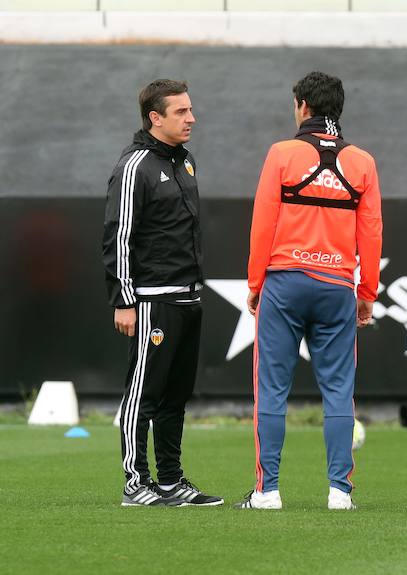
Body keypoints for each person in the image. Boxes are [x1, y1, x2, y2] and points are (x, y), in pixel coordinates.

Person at [236, 71, 382, 510]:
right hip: (337, 286)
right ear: (338, 108)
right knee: (339, 390)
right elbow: (371, 231)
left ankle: (268, 491)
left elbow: (263, 222)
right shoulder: (363, 162)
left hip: (284, 282)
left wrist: (256, 283)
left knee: (272, 388)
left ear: (301, 105)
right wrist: (367, 293)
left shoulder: (281, 153)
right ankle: (340, 492)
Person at [101, 79, 222, 507]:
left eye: (190, 110)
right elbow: (119, 235)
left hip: (189, 297)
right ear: (156, 118)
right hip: (153, 298)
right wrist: (124, 299)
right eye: (181, 112)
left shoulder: (185, 162)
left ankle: (171, 482)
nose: (191, 118)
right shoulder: (135, 166)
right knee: (144, 394)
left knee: (176, 395)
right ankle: (136, 483)